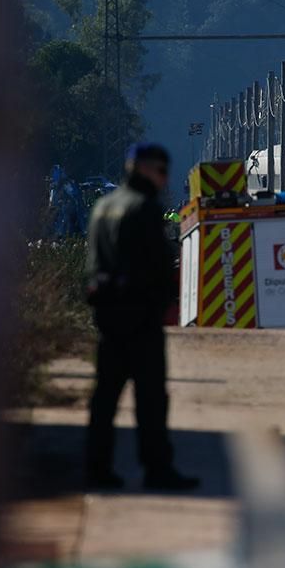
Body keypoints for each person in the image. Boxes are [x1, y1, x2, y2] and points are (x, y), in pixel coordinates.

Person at [85, 142, 199, 491]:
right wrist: (161, 303)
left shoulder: (103, 207)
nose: (164, 179)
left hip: (106, 316)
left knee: (104, 398)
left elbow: (91, 264)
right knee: (150, 399)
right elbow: (158, 267)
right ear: (146, 170)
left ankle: (97, 468)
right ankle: (157, 468)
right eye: (161, 171)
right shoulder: (144, 209)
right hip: (140, 318)